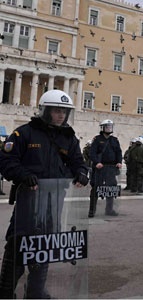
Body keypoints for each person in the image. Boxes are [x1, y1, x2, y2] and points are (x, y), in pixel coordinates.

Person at [0, 89, 89, 299]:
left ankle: (36, 293)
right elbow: (6, 160)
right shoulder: (25, 133)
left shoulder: (69, 137)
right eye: (57, 110)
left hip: (54, 201)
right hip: (29, 200)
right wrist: (23, 175)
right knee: (18, 246)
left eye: (65, 112)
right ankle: (5, 291)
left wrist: (82, 173)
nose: (61, 115)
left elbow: (78, 162)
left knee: (45, 247)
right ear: (46, 110)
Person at [88, 119, 122, 217]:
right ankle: (92, 210)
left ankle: (109, 209)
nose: (109, 128)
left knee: (111, 188)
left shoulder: (114, 140)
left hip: (111, 168)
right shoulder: (97, 139)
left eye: (110, 126)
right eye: (107, 126)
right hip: (100, 168)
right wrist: (97, 162)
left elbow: (118, 152)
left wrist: (119, 162)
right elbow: (92, 153)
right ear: (102, 128)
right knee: (95, 188)